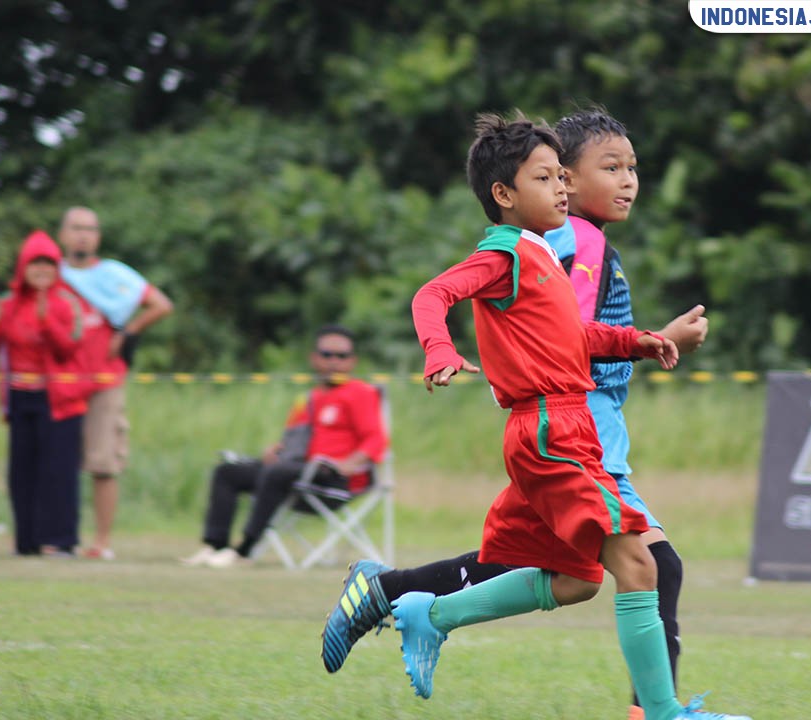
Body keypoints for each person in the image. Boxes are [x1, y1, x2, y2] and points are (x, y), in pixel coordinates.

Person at [328, 111, 740, 720]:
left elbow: (571, 331)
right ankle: (660, 713)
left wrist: (643, 339)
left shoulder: (542, 249)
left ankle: (417, 607)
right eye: (551, 178)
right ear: (508, 193)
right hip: (556, 427)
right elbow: (433, 295)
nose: (565, 189)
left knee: (576, 580)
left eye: (562, 179)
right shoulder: (534, 248)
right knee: (642, 564)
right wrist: (440, 349)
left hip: (563, 425)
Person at [181, 324, 389, 569]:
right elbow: (295, 439)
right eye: (326, 355)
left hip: (333, 478)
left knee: (277, 473)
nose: (334, 362)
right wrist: (277, 450)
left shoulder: (360, 393)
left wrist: (348, 464)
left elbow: (376, 440)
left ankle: (245, 549)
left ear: (352, 361)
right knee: (228, 471)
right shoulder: (310, 398)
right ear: (314, 358)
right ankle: (216, 546)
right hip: (296, 472)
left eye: (341, 356)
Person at [58, 206, 174, 560]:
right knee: (57, 462)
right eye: (76, 228)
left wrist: (128, 330)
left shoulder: (111, 275)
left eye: (90, 229)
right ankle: (57, 536)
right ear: (62, 233)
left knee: (103, 463)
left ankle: (101, 542)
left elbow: (160, 304)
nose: (83, 235)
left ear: (98, 237)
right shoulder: (52, 274)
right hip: (58, 381)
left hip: (104, 380)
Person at [0, 230, 93, 557]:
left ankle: (61, 540)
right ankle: (27, 541)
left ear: (56, 267)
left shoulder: (69, 302)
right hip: (20, 398)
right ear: (23, 267)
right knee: (22, 471)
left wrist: (48, 322)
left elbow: (69, 349)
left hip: (59, 399)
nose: (42, 270)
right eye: (35, 263)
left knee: (58, 470)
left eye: (48, 263)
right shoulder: (9, 303)